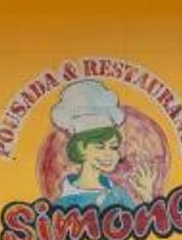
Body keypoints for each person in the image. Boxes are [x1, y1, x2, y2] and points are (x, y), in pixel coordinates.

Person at [50, 78, 143, 210]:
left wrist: (146, 195)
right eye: (100, 147)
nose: (109, 154)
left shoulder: (120, 195)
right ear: (80, 148)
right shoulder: (63, 204)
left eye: (113, 147)